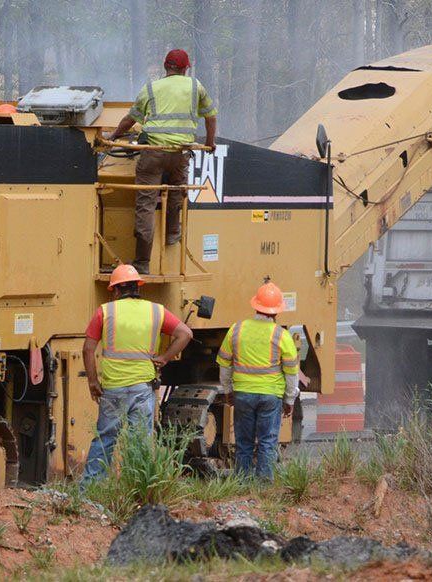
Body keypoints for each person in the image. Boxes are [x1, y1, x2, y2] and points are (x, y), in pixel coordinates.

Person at [108, 49, 218, 275]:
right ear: (185, 68)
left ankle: (142, 262)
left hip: (153, 153)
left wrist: (113, 136)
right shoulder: (195, 86)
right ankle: (172, 234)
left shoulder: (151, 88)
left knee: (146, 205)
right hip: (180, 154)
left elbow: (130, 119)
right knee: (177, 191)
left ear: (165, 66)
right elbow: (211, 116)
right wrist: (209, 143)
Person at [81, 263, 193, 482]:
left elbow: (88, 349)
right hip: (143, 388)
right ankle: (137, 488)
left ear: (115, 290)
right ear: (138, 287)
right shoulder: (156, 311)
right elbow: (186, 334)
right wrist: (164, 358)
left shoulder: (105, 311)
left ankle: (89, 489)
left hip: (113, 388)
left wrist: (93, 382)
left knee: (105, 439)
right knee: (140, 441)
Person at [216, 282, 300, 479]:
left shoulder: (236, 330)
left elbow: (224, 364)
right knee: (267, 442)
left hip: (243, 395)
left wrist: (228, 391)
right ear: (277, 311)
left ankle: (243, 483)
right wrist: (289, 399)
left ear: (255, 306)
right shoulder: (282, 335)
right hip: (270, 396)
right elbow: (291, 373)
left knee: (243, 442)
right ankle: (264, 485)